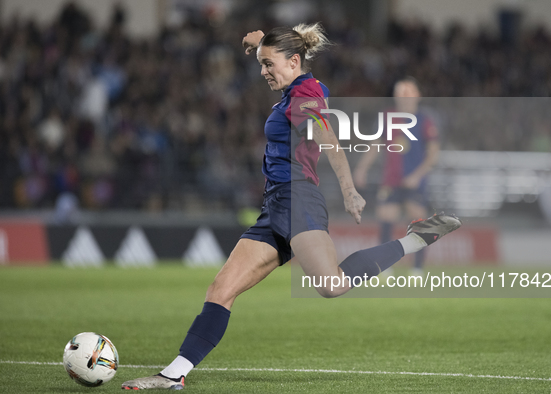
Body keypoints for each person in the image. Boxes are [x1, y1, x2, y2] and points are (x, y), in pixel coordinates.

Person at [122, 24, 460, 390]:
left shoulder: (305, 94)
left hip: (299, 198)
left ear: (294, 61)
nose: (263, 71)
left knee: (330, 285)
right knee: (220, 290)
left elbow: (329, 138)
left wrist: (349, 189)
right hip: (274, 207)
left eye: (269, 65)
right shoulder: (293, 89)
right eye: (261, 64)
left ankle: (415, 239)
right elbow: (283, 51)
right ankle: (173, 375)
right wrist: (261, 43)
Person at [354, 78, 440, 276]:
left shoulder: (425, 120)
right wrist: (362, 169)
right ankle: (385, 266)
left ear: (417, 96)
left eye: (408, 92)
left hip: (414, 181)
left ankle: (417, 268)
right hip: (391, 180)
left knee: (418, 221)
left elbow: (433, 153)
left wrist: (417, 176)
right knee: (386, 217)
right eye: (400, 93)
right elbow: (375, 145)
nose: (404, 97)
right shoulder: (387, 116)